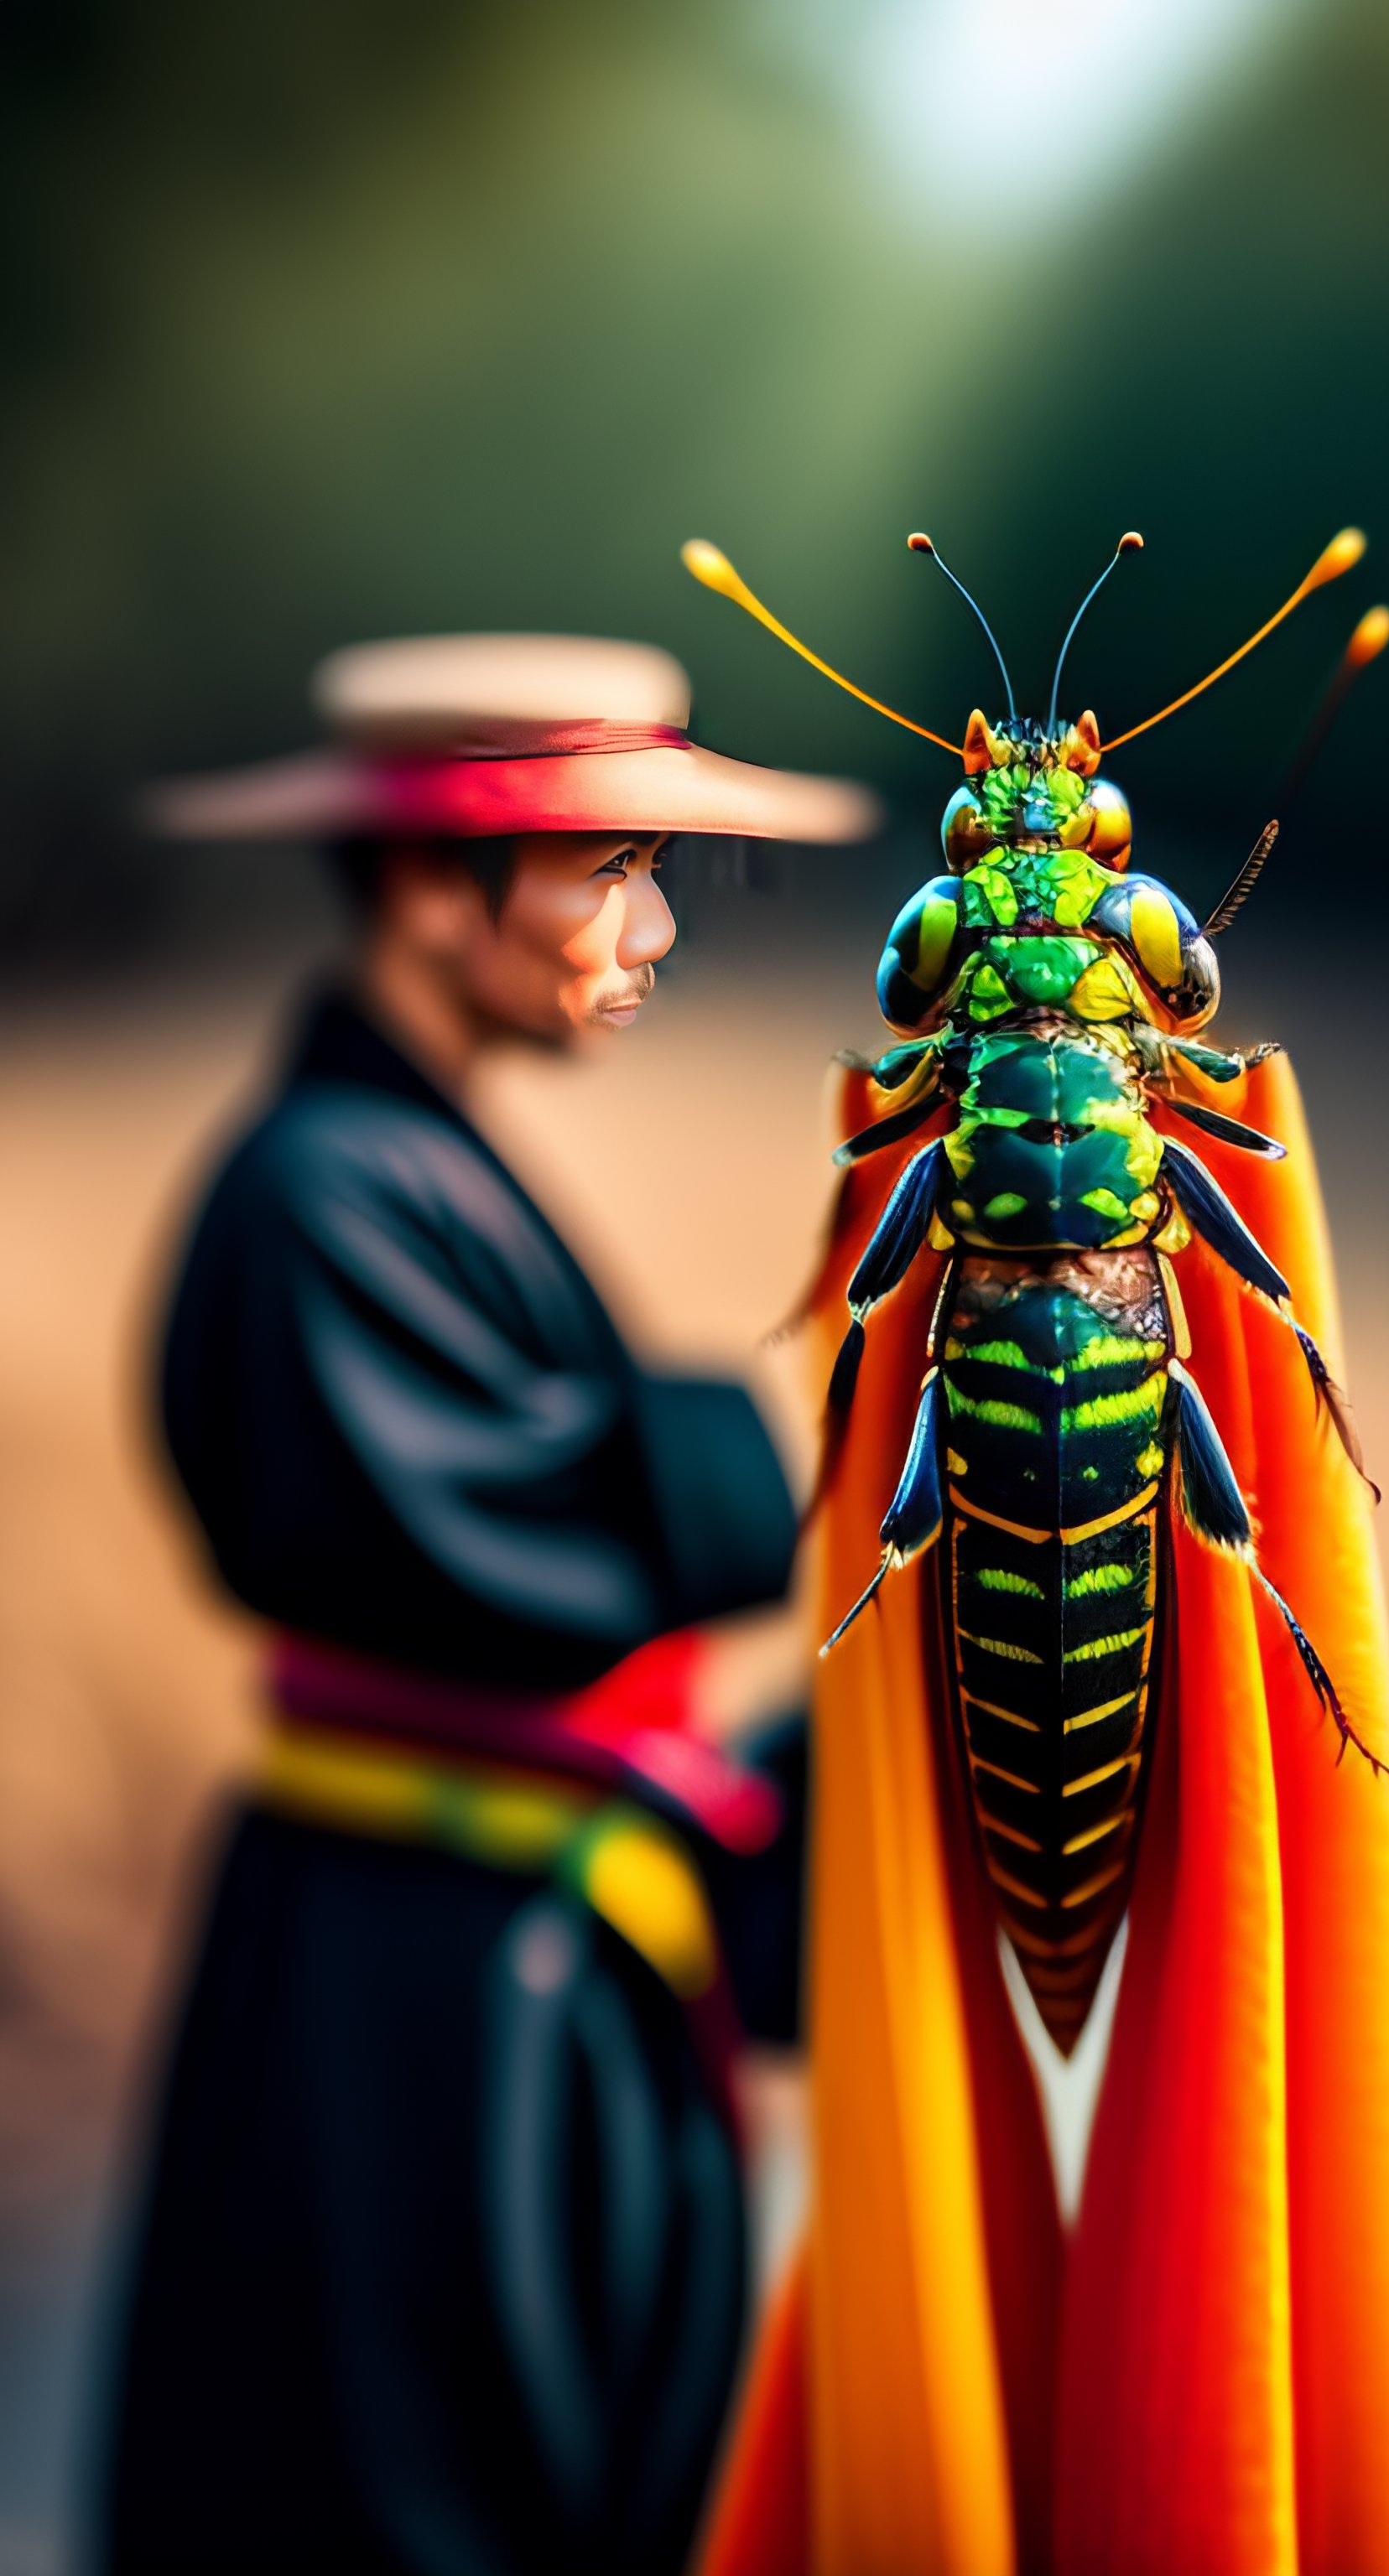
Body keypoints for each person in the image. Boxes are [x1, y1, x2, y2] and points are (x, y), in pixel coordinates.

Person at [98, 633, 876, 2576]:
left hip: (488, 1938)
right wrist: (823, 1417)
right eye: (609, 870)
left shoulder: (398, 1166)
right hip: (422, 1992)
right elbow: (539, 1544)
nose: (653, 928)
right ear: (443, 895)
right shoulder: (316, 1199)